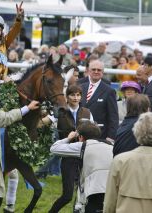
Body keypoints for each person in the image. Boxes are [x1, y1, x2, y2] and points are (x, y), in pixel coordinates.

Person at [48, 84, 94, 213]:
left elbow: (93, 129)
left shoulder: (87, 112)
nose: (75, 98)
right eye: (72, 95)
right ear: (67, 97)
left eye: (78, 95)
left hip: (84, 155)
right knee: (67, 195)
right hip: (68, 155)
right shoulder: (60, 111)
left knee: (82, 193)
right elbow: (46, 122)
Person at [50, 121, 113, 213]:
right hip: (112, 189)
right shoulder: (111, 145)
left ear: (81, 137)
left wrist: (68, 138)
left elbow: (54, 148)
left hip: (93, 192)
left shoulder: (82, 146)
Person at [80, 60, 119, 143]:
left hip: (100, 136)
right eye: (93, 69)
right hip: (80, 135)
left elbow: (113, 116)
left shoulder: (109, 91)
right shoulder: (80, 87)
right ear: (88, 71)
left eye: (99, 70)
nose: (96, 72)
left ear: (103, 72)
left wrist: (111, 137)